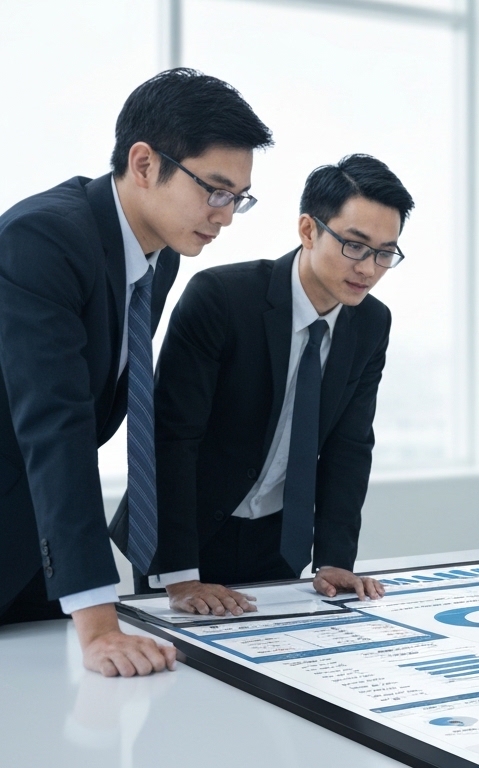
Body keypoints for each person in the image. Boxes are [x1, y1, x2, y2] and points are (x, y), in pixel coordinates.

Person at [0, 68, 272, 675]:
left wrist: (169, 578)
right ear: (144, 163)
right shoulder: (43, 239)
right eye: (215, 190)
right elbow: (56, 426)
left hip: (40, 554)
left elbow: (133, 403)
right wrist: (99, 622)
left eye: (238, 198)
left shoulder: (161, 254)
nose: (224, 216)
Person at [111, 155, 413, 615]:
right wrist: (180, 577)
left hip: (275, 539)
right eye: (354, 246)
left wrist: (334, 559)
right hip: (187, 532)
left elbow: (350, 444)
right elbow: (172, 438)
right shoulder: (222, 299)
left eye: (385, 253)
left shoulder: (371, 322)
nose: (368, 269)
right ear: (308, 230)